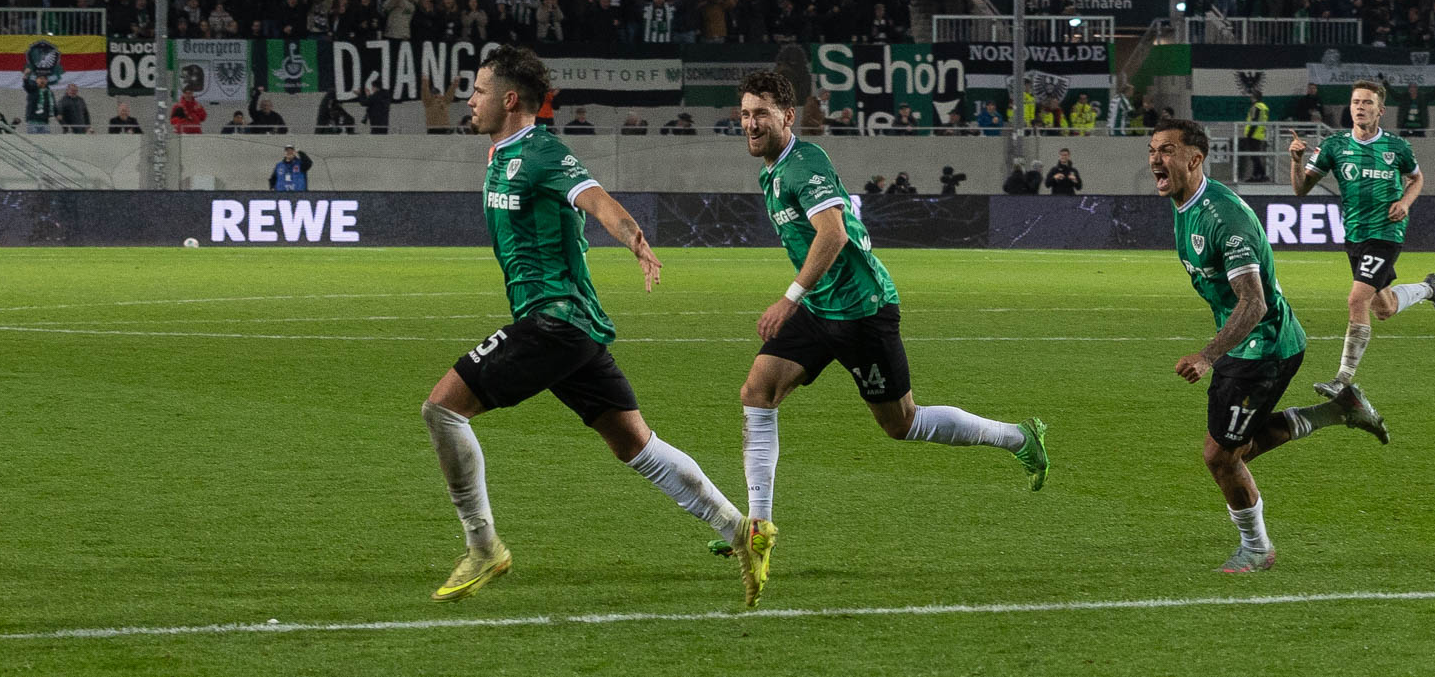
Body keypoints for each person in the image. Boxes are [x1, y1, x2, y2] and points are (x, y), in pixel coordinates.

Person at [419, 46, 745, 603]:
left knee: (442, 409)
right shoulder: (501, 153)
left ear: (510, 99)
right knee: (634, 443)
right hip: (571, 329)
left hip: (555, 322)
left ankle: (483, 546)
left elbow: (595, 200)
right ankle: (740, 529)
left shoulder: (542, 152)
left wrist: (634, 237)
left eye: (478, 90)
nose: (469, 100)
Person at [723, 69, 1048, 607]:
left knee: (902, 423)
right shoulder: (772, 170)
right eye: (744, 114)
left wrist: (789, 297)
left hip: (861, 311)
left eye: (761, 114)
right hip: (822, 308)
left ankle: (1018, 438)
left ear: (787, 117)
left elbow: (833, 234)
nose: (750, 123)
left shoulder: (805, 163)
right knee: (757, 391)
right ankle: (759, 530)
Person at [1151, 118, 1388, 574]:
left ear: (1195, 159)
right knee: (1232, 450)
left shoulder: (1224, 218)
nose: (1155, 160)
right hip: (1249, 344)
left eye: (1167, 150)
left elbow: (1254, 303)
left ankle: (1257, 548)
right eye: (1152, 150)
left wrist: (1206, 356)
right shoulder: (1187, 204)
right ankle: (1340, 410)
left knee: (1221, 457)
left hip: (1263, 348)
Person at [1288, 79, 1435, 398]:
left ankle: (1342, 380)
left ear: (1380, 110)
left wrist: (1405, 203)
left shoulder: (1397, 147)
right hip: (1355, 234)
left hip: (1386, 232)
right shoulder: (1334, 146)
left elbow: (1416, 178)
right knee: (1383, 308)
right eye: (1356, 102)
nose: (1360, 107)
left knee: (1356, 299)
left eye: (1367, 102)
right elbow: (1301, 189)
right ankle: (1429, 288)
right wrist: (1295, 161)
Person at [1240, 90, 1271, 182]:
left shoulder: (1256, 107)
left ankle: (1262, 174)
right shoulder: (1264, 107)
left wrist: (1249, 134)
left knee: (1254, 156)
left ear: (1254, 97)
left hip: (1254, 134)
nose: (1250, 98)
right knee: (1255, 156)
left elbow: (1254, 121)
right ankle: (1256, 175)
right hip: (1260, 134)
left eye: (1252, 96)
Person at [22, 69, 57, 134]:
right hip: (33, 121)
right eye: (40, 78)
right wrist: (26, 75)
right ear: (36, 80)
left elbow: (53, 105)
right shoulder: (33, 89)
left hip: (45, 121)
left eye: (44, 79)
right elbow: (26, 86)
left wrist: (58, 114)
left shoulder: (49, 93)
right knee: (33, 139)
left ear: (47, 81)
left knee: (45, 139)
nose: (42, 80)